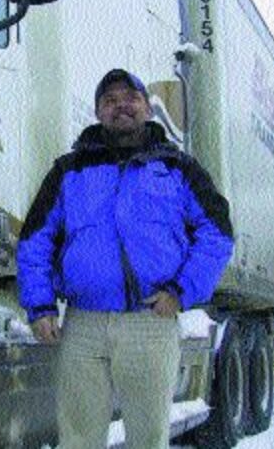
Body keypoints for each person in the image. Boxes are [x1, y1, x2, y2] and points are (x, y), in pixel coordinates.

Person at [16, 69, 234, 448]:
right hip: (83, 325)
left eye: (130, 98)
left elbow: (217, 234)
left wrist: (181, 291)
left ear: (147, 108)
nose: (122, 107)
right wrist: (40, 303)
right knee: (78, 439)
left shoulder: (178, 168)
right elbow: (36, 239)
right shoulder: (69, 171)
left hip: (150, 322)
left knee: (147, 439)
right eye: (110, 100)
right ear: (99, 112)